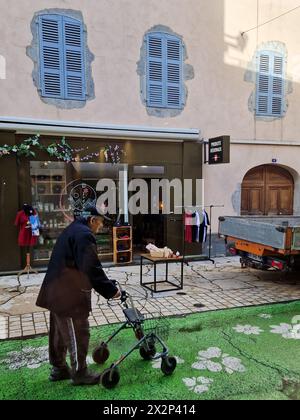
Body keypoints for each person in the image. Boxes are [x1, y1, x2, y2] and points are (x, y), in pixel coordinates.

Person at [36, 206, 120, 386]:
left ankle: (59, 368)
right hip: (68, 294)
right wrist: (112, 291)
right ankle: (80, 372)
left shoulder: (74, 229)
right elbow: (91, 268)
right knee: (79, 332)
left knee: (59, 331)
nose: (101, 226)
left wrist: (107, 284)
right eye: (100, 222)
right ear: (92, 220)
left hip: (57, 290)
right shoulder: (84, 234)